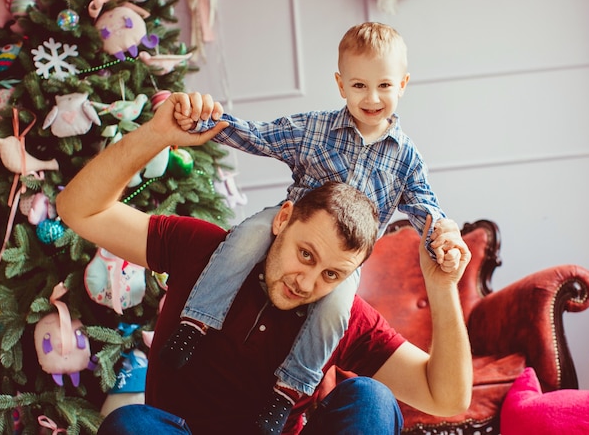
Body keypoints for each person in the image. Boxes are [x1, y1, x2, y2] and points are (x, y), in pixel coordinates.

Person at [56, 91, 473, 434]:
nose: (307, 283)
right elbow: (79, 210)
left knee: (372, 399)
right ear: (283, 218)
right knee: (131, 424)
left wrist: (442, 287)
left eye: (331, 274)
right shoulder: (202, 249)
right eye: (305, 255)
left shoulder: (342, 316)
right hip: (180, 429)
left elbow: (446, 397)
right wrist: (157, 135)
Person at [163, 21, 463, 424]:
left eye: (384, 86)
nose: (372, 98)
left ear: (403, 84)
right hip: (290, 228)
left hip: (340, 259)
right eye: (359, 86)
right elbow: (258, 136)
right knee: (246, 235)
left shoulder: (405, 158)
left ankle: (288, 389)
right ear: (341, 85)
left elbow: (426, 209)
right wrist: (200, 123)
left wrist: (443, 234)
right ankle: (196, 323)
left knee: (337, 304)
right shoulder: (316, 130)